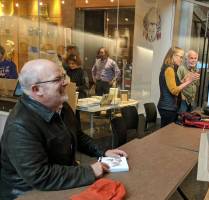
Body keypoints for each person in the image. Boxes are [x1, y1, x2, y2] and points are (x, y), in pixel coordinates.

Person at [0, 59, 128, 200]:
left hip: (59, 181)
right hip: (27, 193)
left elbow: (77, 136)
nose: (66, 82)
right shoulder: (20, 126)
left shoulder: (60, 105)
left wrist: (103, 151)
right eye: (57, 79)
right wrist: (89, 171)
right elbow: (40, 176)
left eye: (63, 76)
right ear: (36, 90)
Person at [157, 47, 200, 128]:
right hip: (168, 107)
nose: (181, 59)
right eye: (180, 57)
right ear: (173, 56)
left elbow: (174, 85)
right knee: (166, 134)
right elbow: (174, 90)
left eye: (182, 57)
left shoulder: (170, 68)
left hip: (168, 107)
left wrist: (184, 80)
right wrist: (189, 81)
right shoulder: (169, 69)